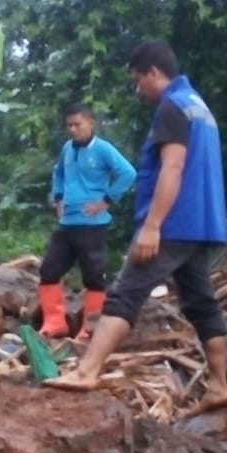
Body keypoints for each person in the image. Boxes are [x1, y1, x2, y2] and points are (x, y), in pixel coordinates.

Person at [46, 41, 227, 415]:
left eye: (138, 81)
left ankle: (87, 371)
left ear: (153, 72)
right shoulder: (199, 107)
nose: (138, 90)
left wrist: (152, 226)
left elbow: (174, 167)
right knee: (201, 302)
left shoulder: (172, 106)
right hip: (203, 224)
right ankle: (219, 385)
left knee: (125, 294)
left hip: (173, 224)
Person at [37, 102, 136, 339]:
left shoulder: (103, 149)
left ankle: (90, 328)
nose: (73, 129)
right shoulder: (67, 149)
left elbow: (128, 173)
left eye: (77, 124)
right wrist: (58, 197)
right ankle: (54, 322)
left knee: (93, 275)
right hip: (67, 222)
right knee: (49, 270)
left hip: (93, 224)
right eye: (69, 125)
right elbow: (58, 172)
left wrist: (107, 200)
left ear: (91, 123)